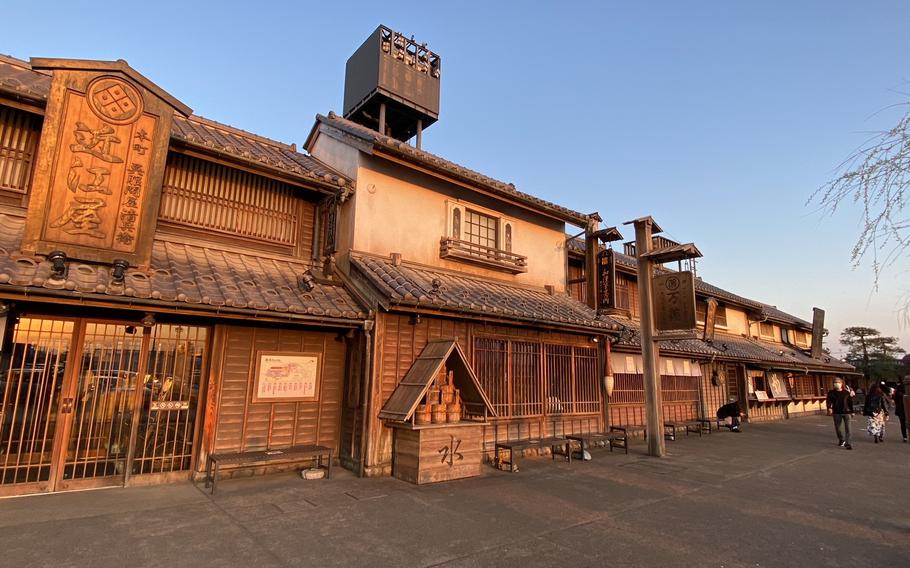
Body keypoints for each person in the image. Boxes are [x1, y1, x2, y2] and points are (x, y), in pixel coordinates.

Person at [826, 377, 854, 449]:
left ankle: (848, 443)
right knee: (838, 428)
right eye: (835, 382)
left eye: (838, 382)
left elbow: (850, 402)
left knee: (848, 428)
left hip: (847, 412)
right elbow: (828, 401)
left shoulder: (846, 392)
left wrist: (852, 411)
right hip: (837, 412)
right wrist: (829, 408)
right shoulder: (831, 393)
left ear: (841, 383)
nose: (836, 383)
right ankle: (841, 440)